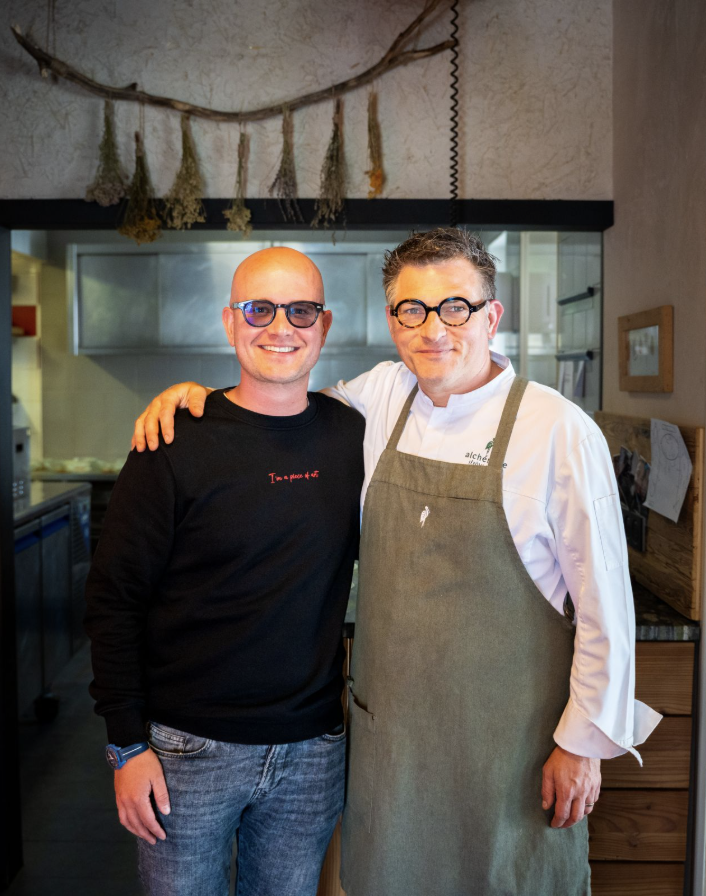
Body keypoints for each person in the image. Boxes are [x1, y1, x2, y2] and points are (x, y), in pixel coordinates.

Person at [133, 228, 661, 896]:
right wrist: (196, 403)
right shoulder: (379, 399)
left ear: (492, 315)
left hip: (510, 752)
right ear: (392, 321)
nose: (433, 328)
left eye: (455, 307)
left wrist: (583, 745)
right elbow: (277, 398)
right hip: (394, 758)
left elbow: (605, 605)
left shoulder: (557, 430)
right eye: (412, 309)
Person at [85, 247, 365, 896]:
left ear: (324, 326)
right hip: (187, 749)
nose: (280, 326)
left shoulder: (354, 435)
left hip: (311, 751)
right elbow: (113, 599)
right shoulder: (173, 441)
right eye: (259, 308)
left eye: (300, 311)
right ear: (230, 321)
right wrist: (127, 747)